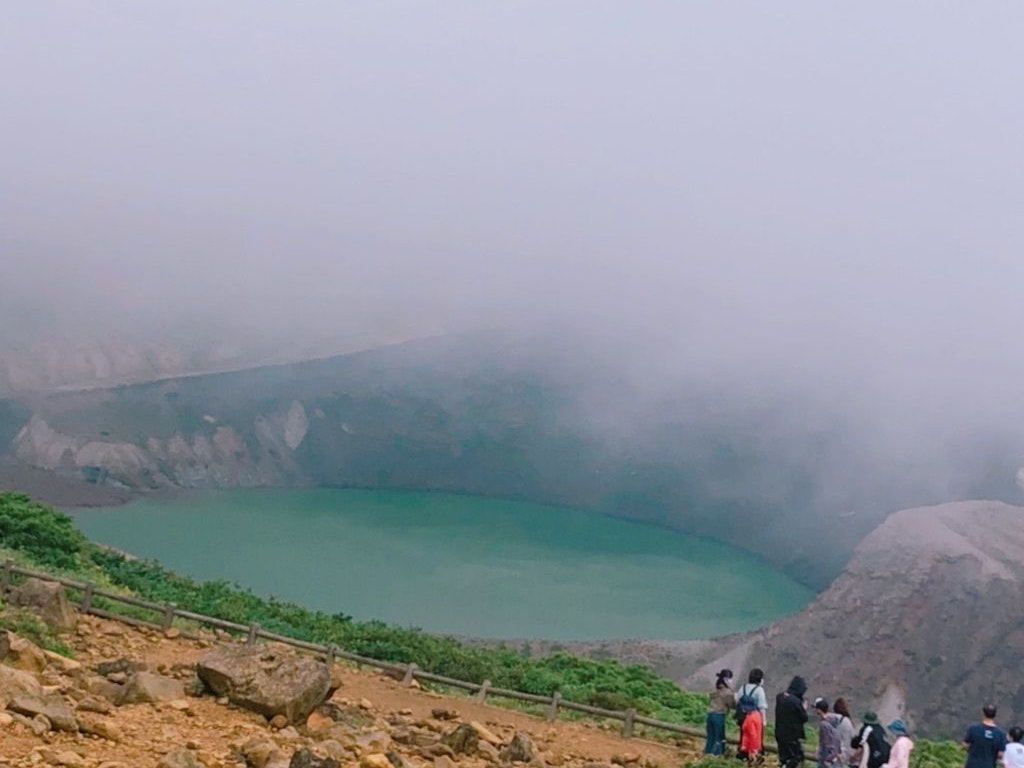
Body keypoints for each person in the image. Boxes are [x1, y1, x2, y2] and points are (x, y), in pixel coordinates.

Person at [775, 676, 809, 768]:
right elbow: (804, 718)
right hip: (792, 736)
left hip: (779, 733)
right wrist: (804, 708)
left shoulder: (780, 697)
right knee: (795, 758)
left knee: (784, 758)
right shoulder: (796, 702)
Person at [737, 668, 768, 764]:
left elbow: (738, 701)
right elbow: (762, 706)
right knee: (755, 738)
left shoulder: (743, 688)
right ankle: (754, 758)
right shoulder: (759, 690)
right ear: (759, 679)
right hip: (755, 718)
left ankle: (743, 755)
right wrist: (764, 721)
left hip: (743, 717)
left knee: (744, 737)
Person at [705, 669, 736, 755]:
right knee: (719, 738)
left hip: (710, 714)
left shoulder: (715, 690)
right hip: (719, 716)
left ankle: (707, 754)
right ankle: (716, 756)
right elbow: (732, 704)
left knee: (711, 737)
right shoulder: (727, 693)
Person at [813, 698, 843, 768]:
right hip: (834, 755)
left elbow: (825, 742)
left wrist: (827, 759)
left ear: (819, 710)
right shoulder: (835, 720)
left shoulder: (823, 724)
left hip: (826, 757)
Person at [832, 698, 857, 767]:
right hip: (844, 755)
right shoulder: (847, 721)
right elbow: (852, 738)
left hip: (831, 753)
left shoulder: (831, 719)